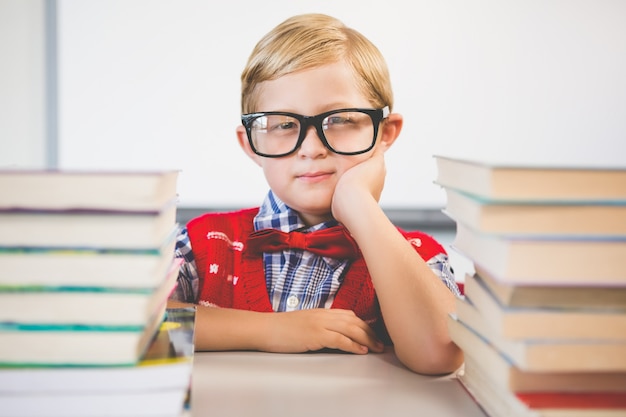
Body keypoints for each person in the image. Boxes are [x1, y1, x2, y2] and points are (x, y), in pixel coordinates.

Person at [167, 13, 463, 375]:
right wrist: (270, 331)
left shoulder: (417, 258)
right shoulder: (204, 242)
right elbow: (130, 325)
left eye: (339, 120)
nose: (311, 148)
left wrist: (358, 204)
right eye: (285, 124)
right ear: (252, 144)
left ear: (385, 133)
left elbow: (438, 353)